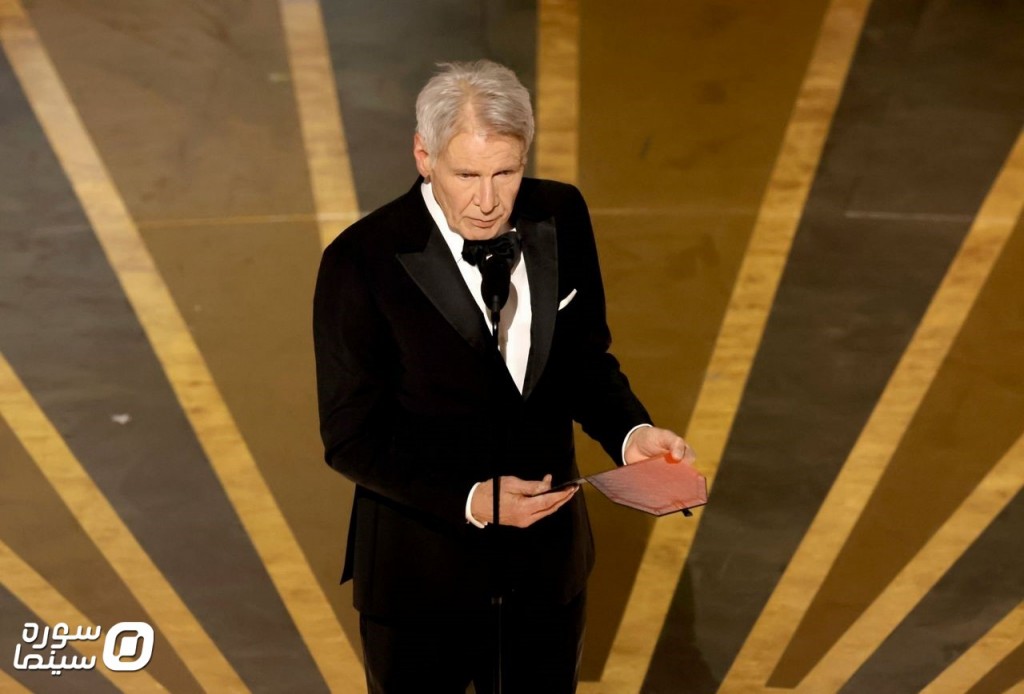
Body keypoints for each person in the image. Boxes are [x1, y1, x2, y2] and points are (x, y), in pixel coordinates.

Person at [313, 60, 690, 693]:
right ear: (424, 156)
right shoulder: (360, 261)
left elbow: (583, 360)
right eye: (466, 175)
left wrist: (632, 434)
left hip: (546, 576)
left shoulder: (561, 214)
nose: (487, 202)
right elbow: (350, 436)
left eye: (505, 173)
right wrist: (470, 499)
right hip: (419, 582)